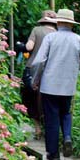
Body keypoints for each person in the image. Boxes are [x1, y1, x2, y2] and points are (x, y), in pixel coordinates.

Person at [31, 9, 80, 160]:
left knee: (52, 118)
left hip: (49, 86)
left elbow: (39, 61)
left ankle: (54, 154)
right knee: (66, 113)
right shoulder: (79, 40)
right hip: (68, 86)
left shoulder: (51, 38)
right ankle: (67, 137)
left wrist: (35, 79)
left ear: (58, 22)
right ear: (71, 24)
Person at [22, 10, 57, 140]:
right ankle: (49, 129)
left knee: (30, 98)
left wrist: (23, 46)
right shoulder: (57, 34)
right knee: (47, 99)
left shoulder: (36, 30)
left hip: (32, 68)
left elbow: (29, 47)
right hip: (50, 70)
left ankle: (37, 128)